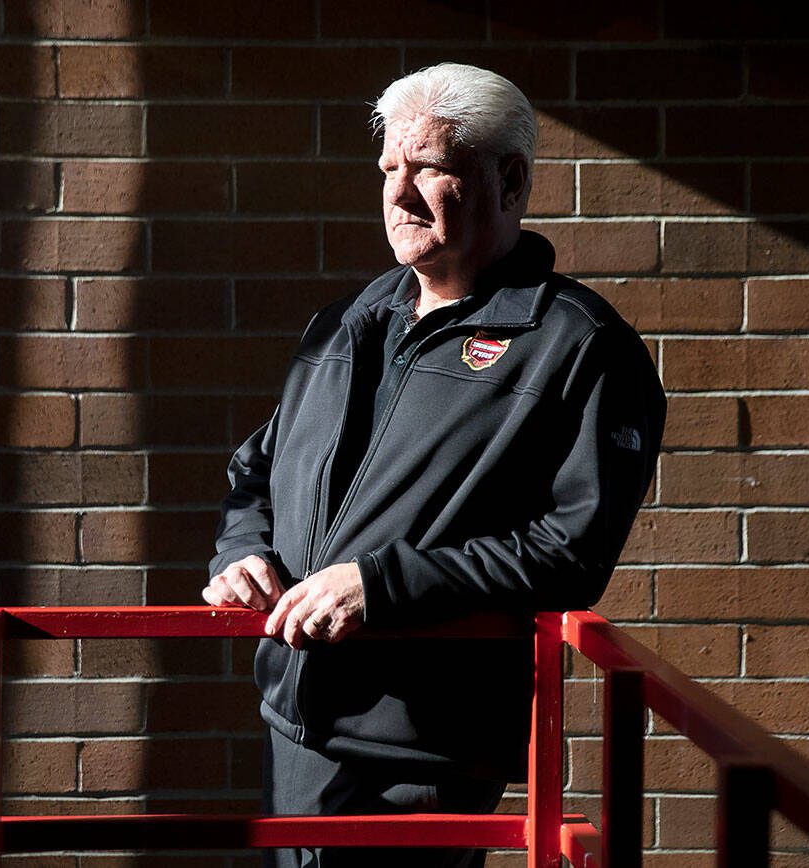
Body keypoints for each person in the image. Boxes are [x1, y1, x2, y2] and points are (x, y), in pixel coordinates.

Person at [202, 63, 665, 867]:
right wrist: (241, 553)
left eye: (430, 169)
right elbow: (257, 469)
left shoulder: (581, 347)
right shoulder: (352, 318)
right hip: (295, 726)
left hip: (419, 754)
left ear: (510, 181)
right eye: (389, 169)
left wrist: (379, 585)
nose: (399, 193)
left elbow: (571, 551)